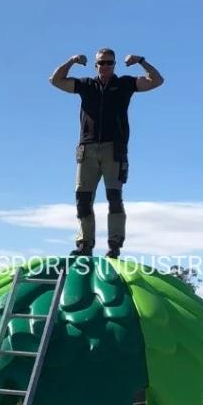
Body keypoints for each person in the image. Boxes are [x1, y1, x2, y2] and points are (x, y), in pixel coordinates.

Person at [49, 47, 164, 257]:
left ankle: (114, 244)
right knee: (83, 198)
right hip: (87, 148)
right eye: (101, 63)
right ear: (95, 65)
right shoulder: (86, 85)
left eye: (109, 62)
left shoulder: (125, 84)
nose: (105, 66)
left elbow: (156, 80)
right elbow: (55, 80)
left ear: (114, 65)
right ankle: (85, 244)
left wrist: (141, 60)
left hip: (114, 149)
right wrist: (71, 61)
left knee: (114, 197)